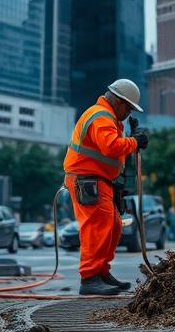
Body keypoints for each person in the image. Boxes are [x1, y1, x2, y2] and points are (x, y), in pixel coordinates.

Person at [63, 78, 148, 295]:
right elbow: (111, 147)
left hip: (99, 180)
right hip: (87, 180)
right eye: (128, 107)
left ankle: (101, 272)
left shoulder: (109, 118)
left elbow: (108, 153)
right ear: (119, 101)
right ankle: (89, 277)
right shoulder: (100, 116)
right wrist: (135, 141)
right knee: (97, 226)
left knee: (113, 225)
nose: (129, 113)